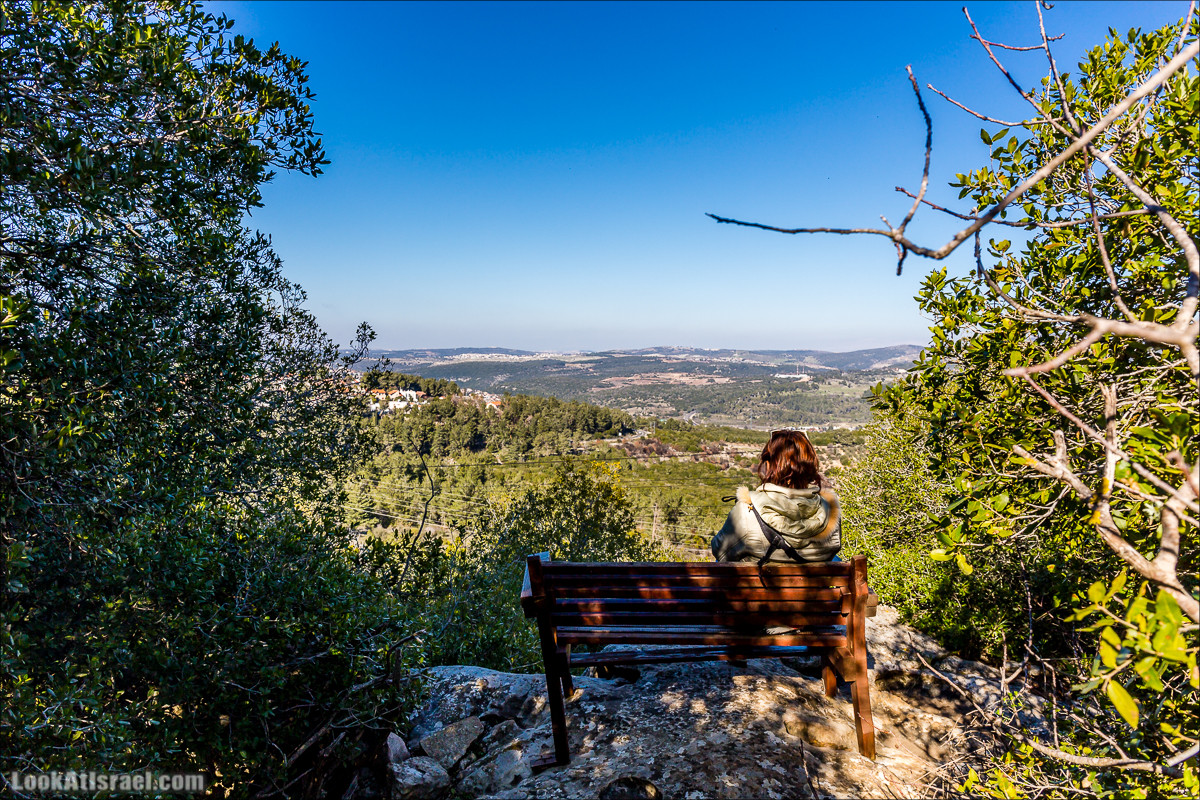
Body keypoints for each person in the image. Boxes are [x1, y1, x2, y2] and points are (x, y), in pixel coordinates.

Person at [711, 429, 841, 565]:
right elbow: (833, 551)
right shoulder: (830, 510)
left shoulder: (747, 512)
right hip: (815, 585)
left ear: (768, 466)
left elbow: (719, 551)